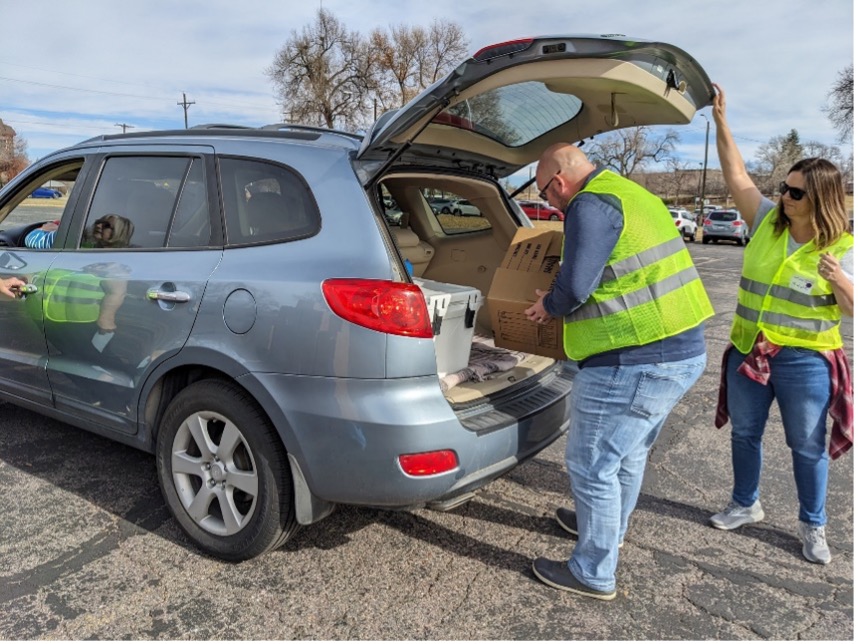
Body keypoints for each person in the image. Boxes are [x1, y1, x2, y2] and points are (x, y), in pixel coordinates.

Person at [525, 143, 713, 600]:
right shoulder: (631, 192)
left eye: (545, 192)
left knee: (591, 466)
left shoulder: (589, 204)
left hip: (632, 361)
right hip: (679, 351)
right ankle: (606, 527)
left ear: (559, 180)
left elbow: (575, 286)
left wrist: (546, 306)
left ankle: (592, 571)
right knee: (625, 456)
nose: (548, 202)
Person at [707, 84, 853, 565]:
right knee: (744, 434)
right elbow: (736, 176)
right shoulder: (767, 222)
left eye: (794, 192)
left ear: (821, 199)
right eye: (783, 189)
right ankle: (745, 504)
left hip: (805, 360)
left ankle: (813, 525)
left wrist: (839, 281)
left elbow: (853, 309)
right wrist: (721, 120)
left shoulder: (844, 247)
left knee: (806, 446)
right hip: (750, 349)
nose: (783, 197)